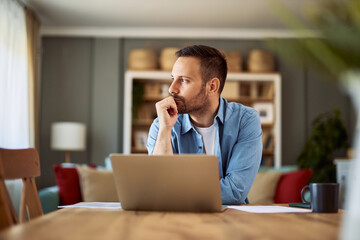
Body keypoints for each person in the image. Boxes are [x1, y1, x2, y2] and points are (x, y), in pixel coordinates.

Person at [146, 45, 262, 204]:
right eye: (173, 79)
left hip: (230, 221)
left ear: (212, 86)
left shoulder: (245, 120)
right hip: (175, 220)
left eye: (184, 80)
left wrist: (173, 190)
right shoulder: (162, 124)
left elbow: (235, 192)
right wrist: (165, 130)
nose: (172, 89)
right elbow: (157, 187)